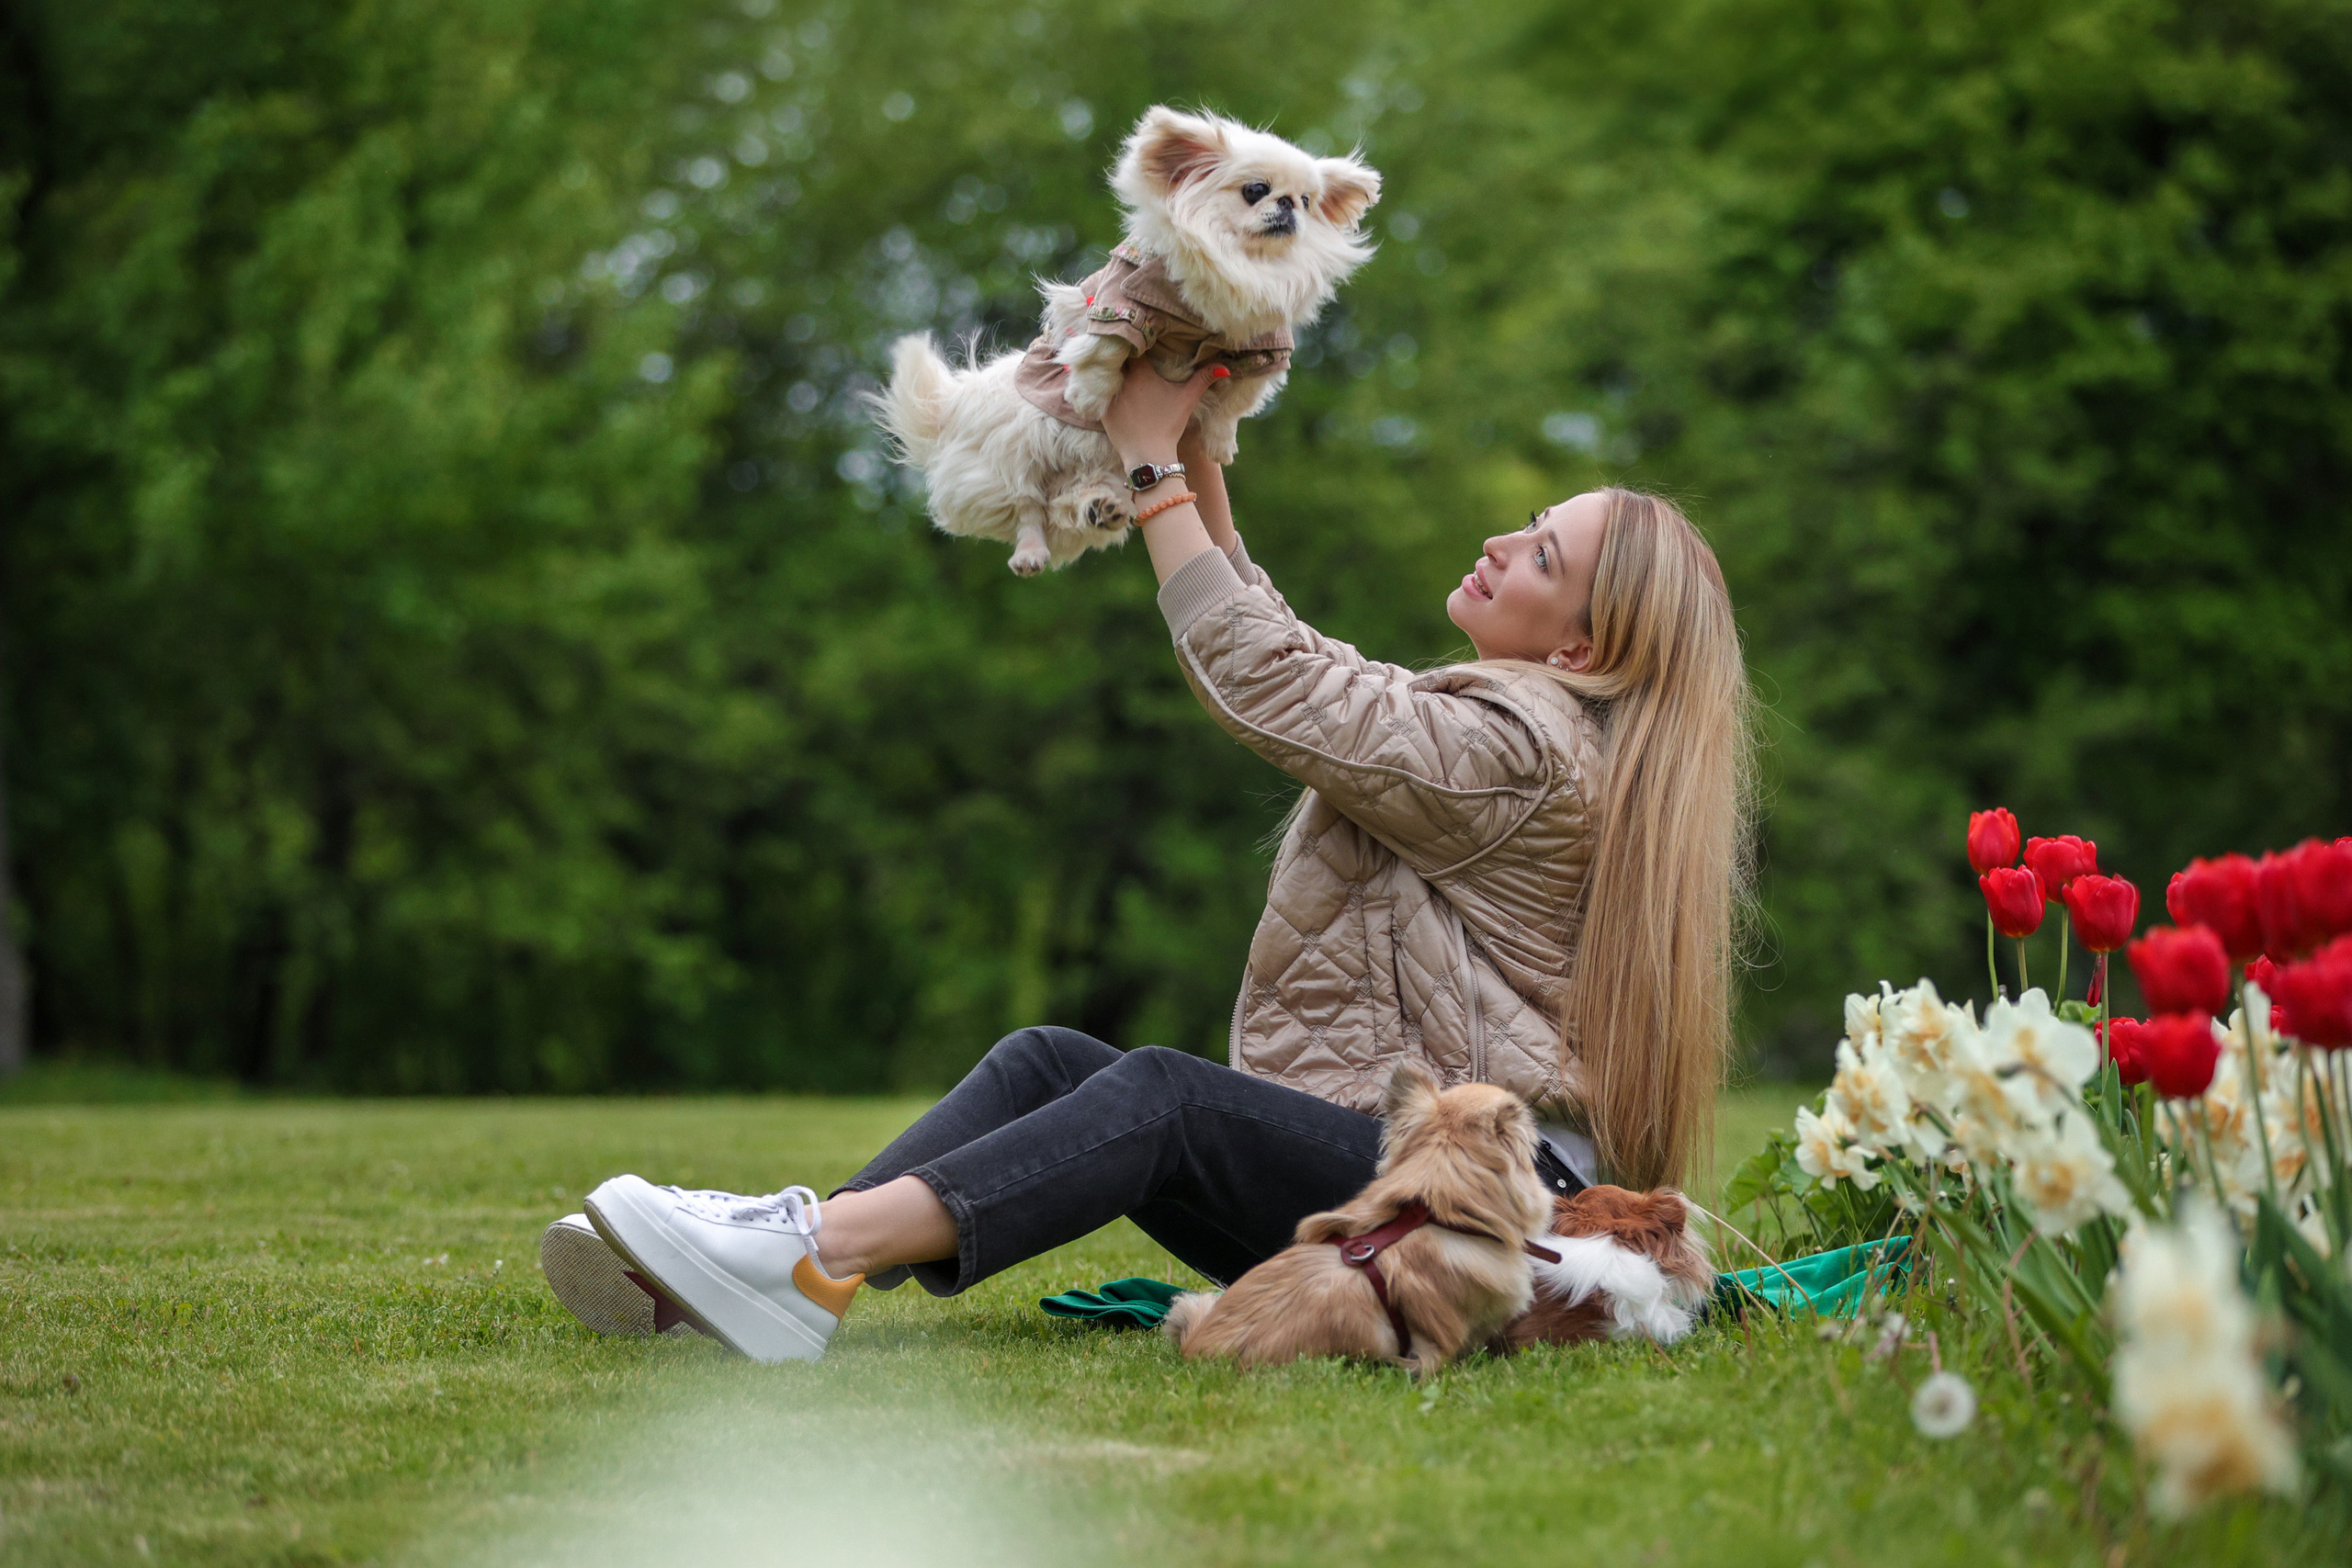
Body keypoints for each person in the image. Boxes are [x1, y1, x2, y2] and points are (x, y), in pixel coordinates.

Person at [541, 358, 1754, 1361]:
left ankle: (807, 1259)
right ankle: (792, 1257)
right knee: (1051, 1061)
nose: (1500, 540)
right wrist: (1203, 446)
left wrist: (1154, 467)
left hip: (1468, 1219)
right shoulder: (1523, 733)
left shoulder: (1523, 749)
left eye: (1541, 554)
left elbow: (1276, 688)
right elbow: (1296, 655)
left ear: (1587, 645)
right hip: (1420, 1193)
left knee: (1160, 1095)